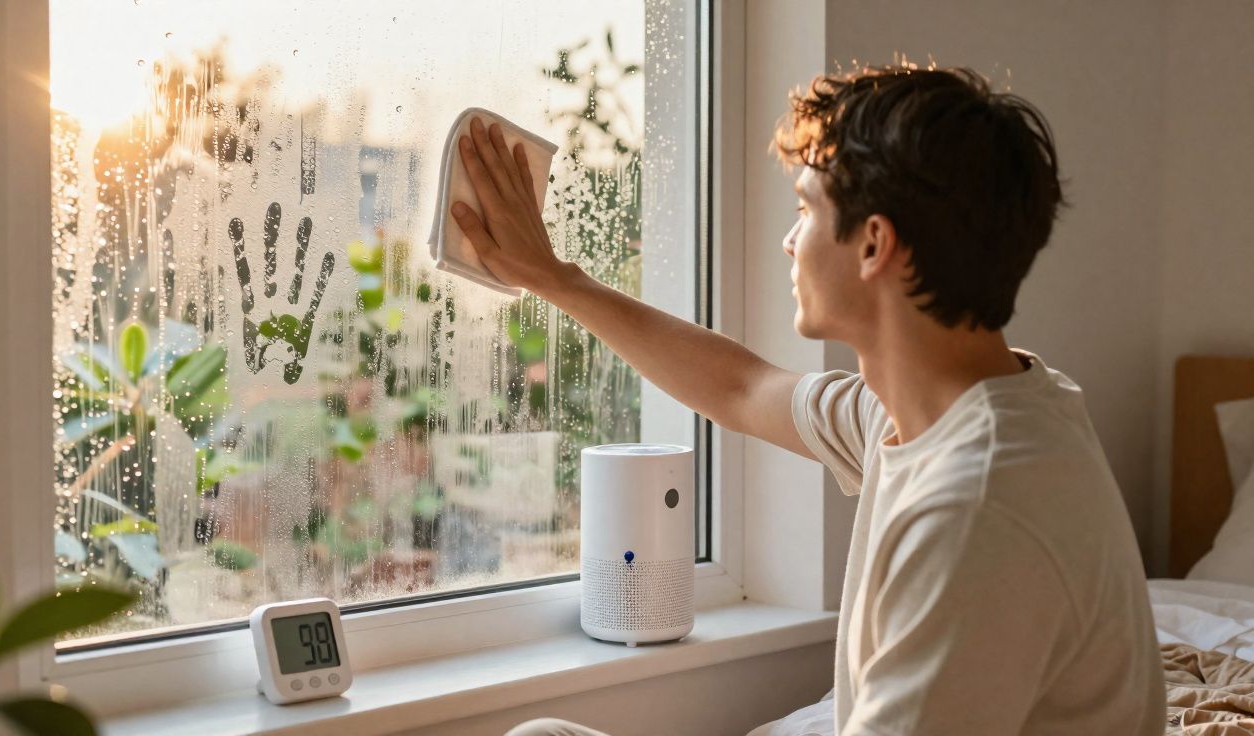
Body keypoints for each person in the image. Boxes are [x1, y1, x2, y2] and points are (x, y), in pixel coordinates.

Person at [453, 66, 1166, 735]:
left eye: (806, 209)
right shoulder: (951, 404)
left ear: (874, 245)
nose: (789, 242)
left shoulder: (977, 511)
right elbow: (741, 387)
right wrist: (553, 277)